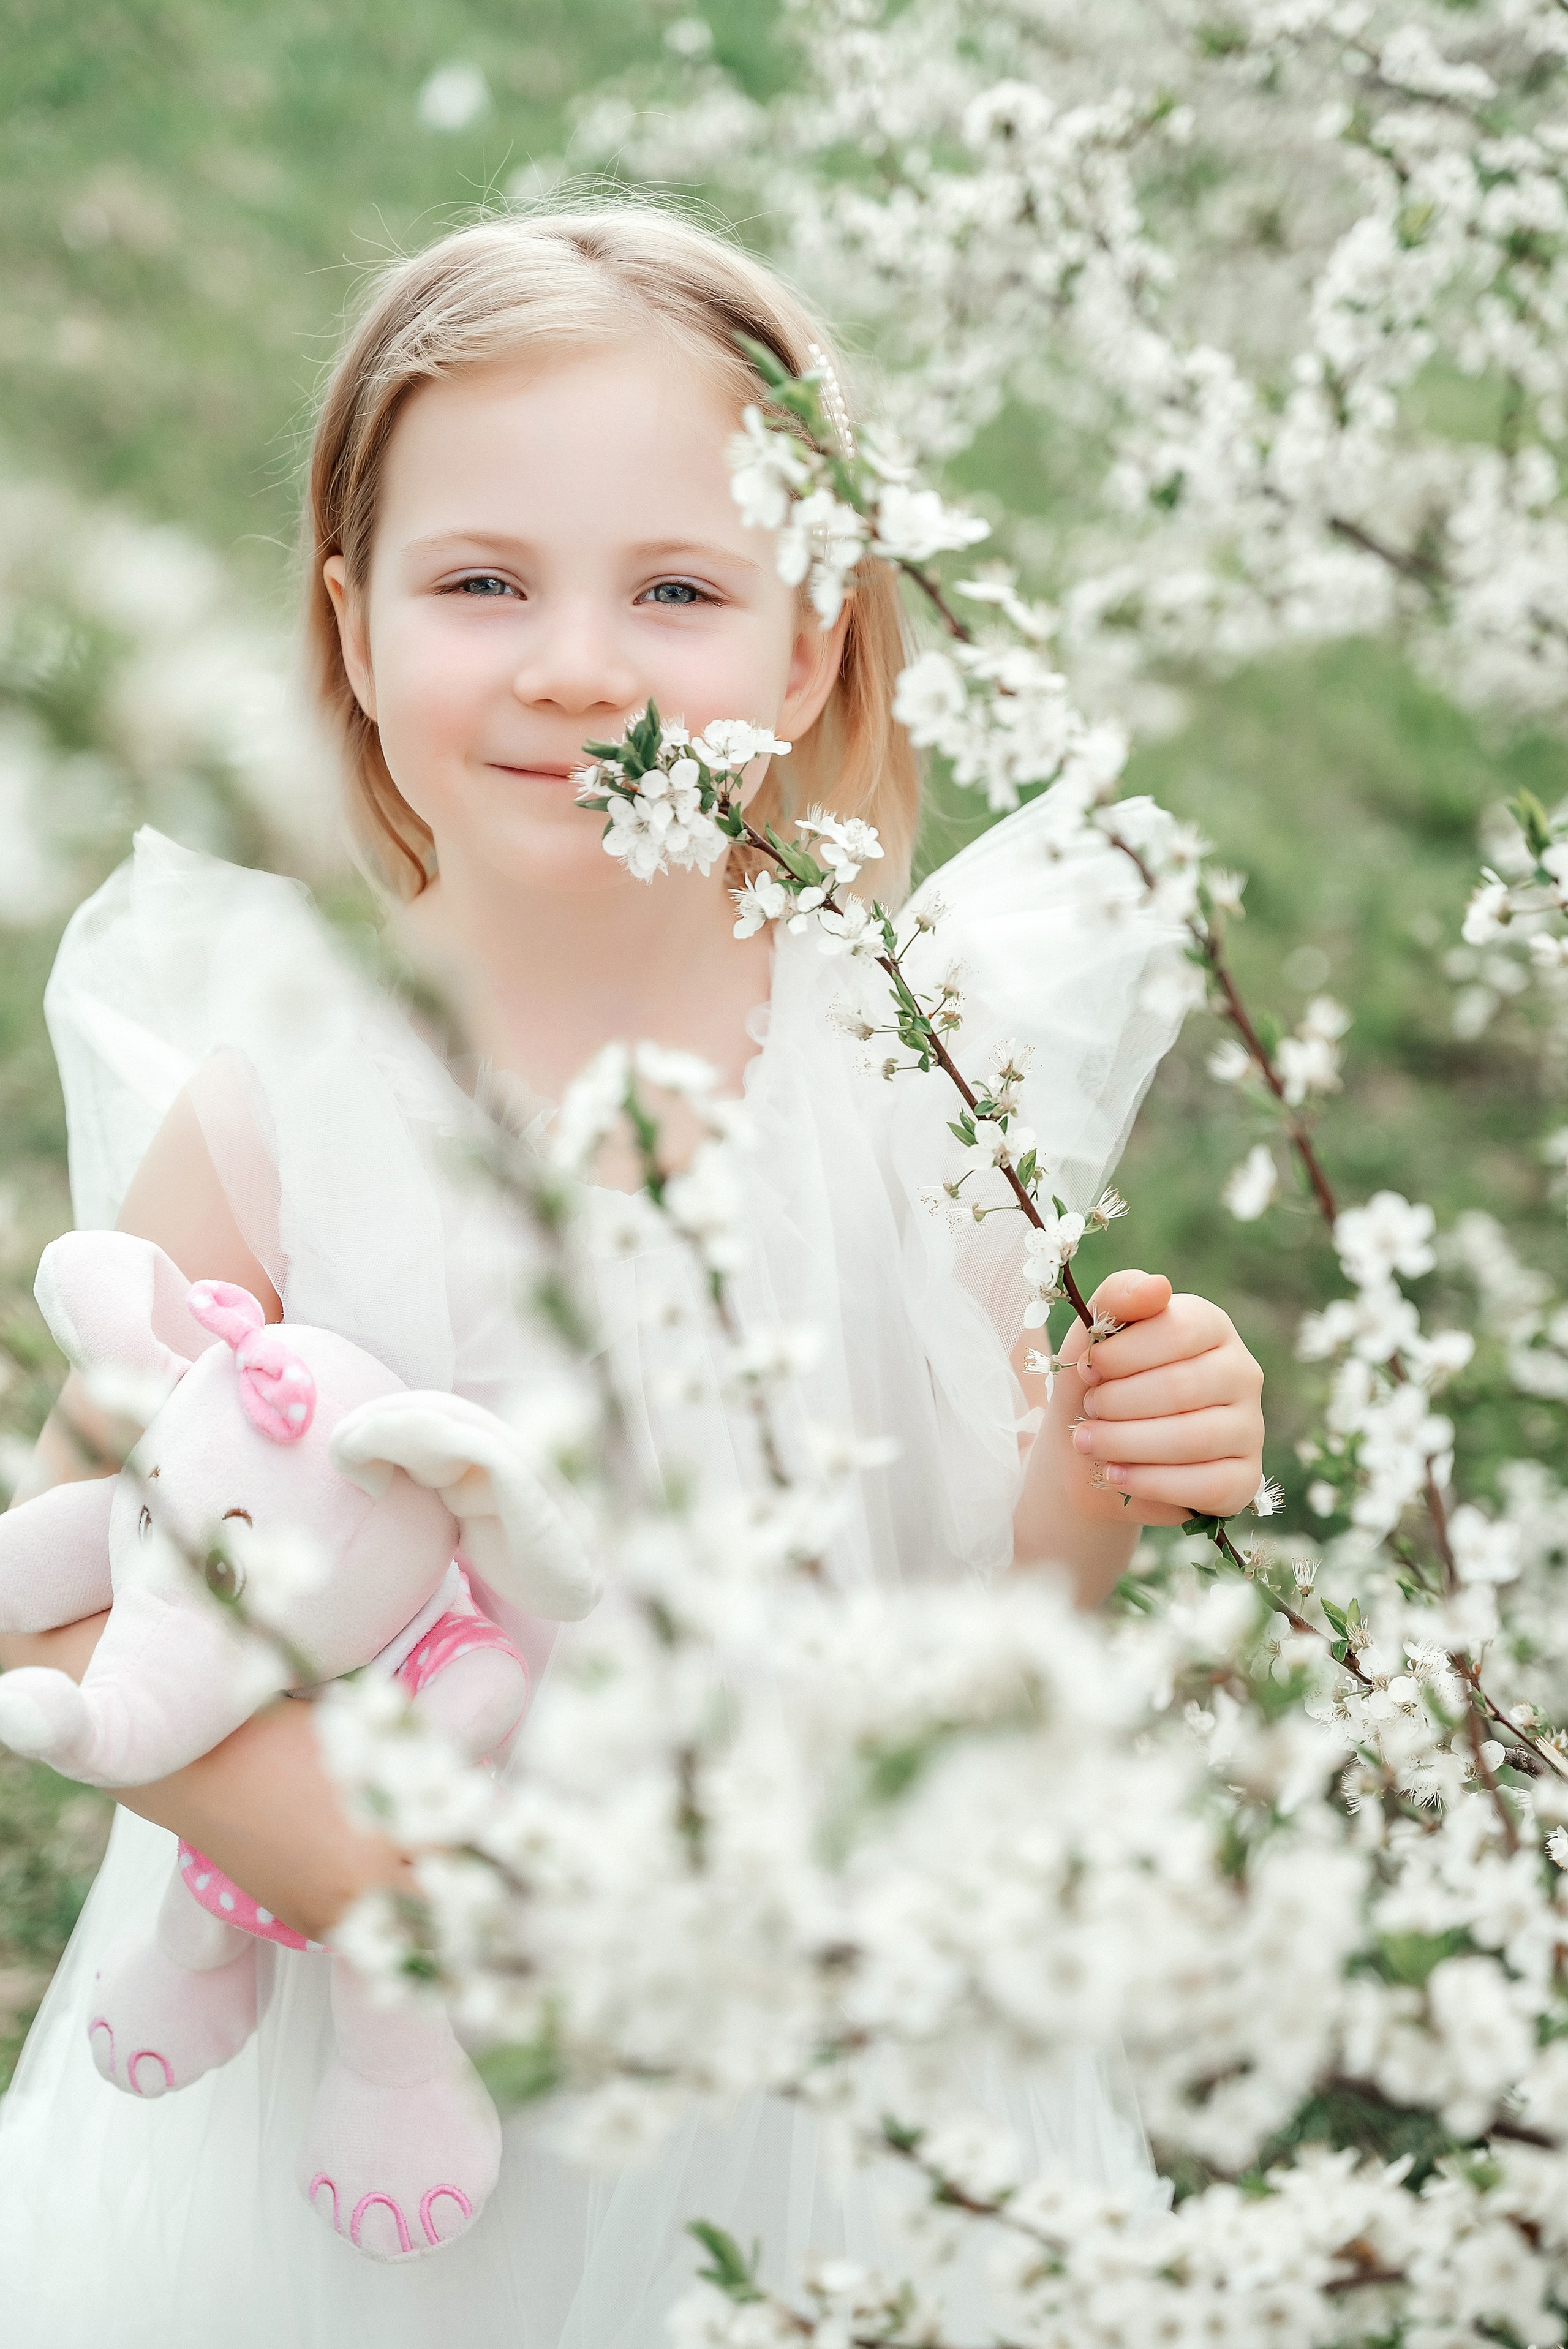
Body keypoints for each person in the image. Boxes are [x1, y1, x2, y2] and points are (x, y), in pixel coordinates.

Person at [0, 202, 1265, 2345]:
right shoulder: (285, 1099)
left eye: (676, 590)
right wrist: (412, 1896)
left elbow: (999, 1625)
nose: (576, 664)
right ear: (352, 625)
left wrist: (1105, 1460)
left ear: (810, 647)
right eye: (481, 583)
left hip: (816, 2043)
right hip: (383, 2073)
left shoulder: (912, 1074)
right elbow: (69, 1589)